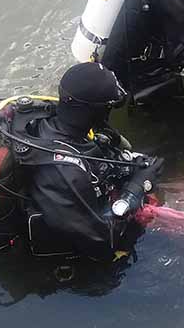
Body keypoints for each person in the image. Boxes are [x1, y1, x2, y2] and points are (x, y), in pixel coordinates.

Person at [27, 62, 161, 260]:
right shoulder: (62, 171)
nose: (109, 113)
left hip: (84, 211)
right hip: (78, 264)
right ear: (92, 111)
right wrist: (135, 190)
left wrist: (135, 167)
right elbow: (100, 242)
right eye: (108, 107)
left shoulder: (69, 127)